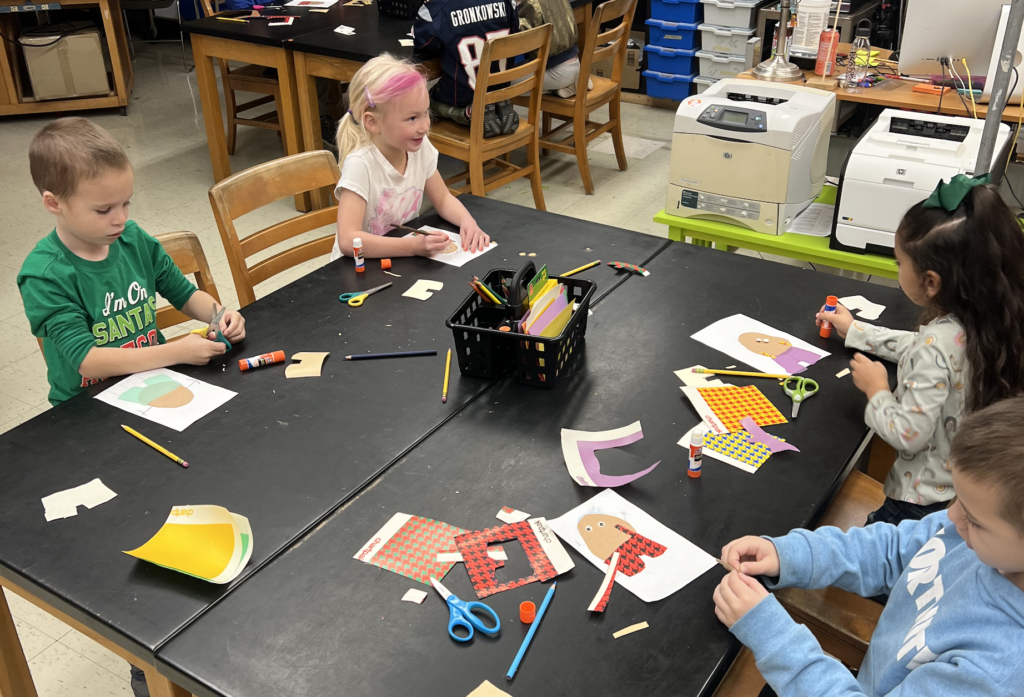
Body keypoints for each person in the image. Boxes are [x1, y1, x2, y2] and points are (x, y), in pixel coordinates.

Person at [713, 396, 1024, 697]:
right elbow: (892, 550)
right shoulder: (974, 534)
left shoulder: (997, 675)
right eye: (957, 499)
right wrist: (794, 555)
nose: (950, 516)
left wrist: (773, 636)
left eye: (974, 519)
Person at [815, 175, 1024, 525]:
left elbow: (908, 435)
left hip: (917, 503)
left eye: (899, 263)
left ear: (931, 281)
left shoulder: (938, 345)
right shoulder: (991, 322)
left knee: (878, 558)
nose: (897, 270)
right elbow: (922, 346)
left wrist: (877, 389)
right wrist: (857, 331)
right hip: (965, 490)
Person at [18, 118, 246, 412]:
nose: (120, 218)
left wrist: (219, 316)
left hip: (153, 381)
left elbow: (184, 295)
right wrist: (176, 352)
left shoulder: (134, 239)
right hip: (86, 406)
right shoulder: (44, 276)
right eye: (103, 209)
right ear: (54, 203)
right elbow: (88, 361)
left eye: (126, 203)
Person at [332, 54, 490, 260]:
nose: (425, 126)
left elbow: (442, 198)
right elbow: (347, 240)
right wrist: (412, 246)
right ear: (372, 122)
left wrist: (467, 222)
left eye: (426, 113)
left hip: (400, 261)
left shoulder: (419, 147)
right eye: (412, 118)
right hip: (359, 269)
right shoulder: (360, 165)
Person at [413, 0, 520, 136]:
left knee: (427, 102)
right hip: (501, 86)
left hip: (463, 93)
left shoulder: (434, 10)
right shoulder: (507, 2)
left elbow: (423, 48)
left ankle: (470, 113)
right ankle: (496, 105)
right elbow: (516, 32)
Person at [516, 0, 584, 97]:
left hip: (557, 72)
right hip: (575, 64)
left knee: (499, 84)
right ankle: (560, 88)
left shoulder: (529, 4)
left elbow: (518, 36)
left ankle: (552, 89)